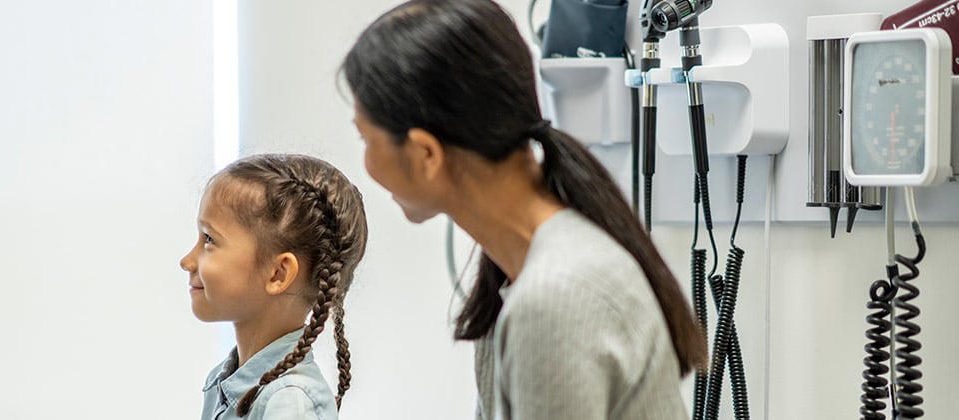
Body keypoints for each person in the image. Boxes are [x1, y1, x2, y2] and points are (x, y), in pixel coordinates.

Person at [341, 0, 706, 418]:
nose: (366, 165)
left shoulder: (555, 296)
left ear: (426, 153)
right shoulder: (516, 275)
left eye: (365, 139)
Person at [181, 154, 368, 419]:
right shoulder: (222, 380)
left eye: (209, 239)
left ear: (278, 273)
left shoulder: (290, 403)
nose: (187, 261)